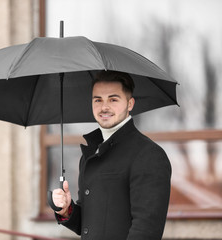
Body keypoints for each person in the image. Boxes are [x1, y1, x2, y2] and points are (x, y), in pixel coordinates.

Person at [51, 70, 171, 240]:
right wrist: (66, 210)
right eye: (98, 100)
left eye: (113, 99)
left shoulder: (149, 155)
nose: (104, 107)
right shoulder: (90, 155)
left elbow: (146, 230)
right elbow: (90, 225)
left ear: (130, 104)